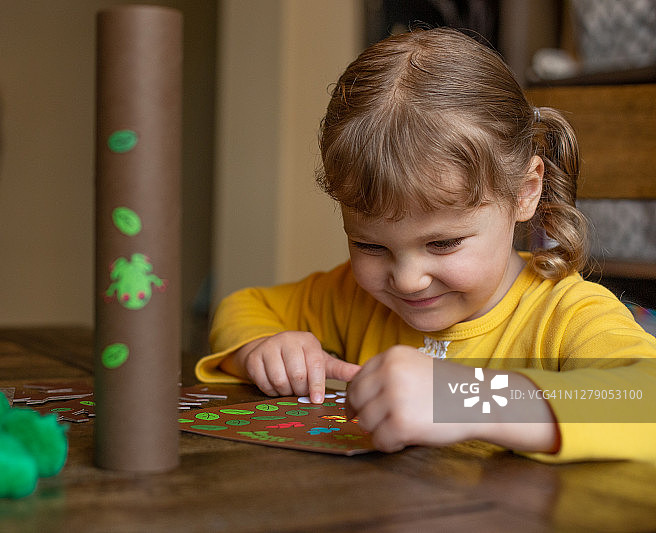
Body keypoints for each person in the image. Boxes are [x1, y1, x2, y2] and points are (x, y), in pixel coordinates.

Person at [195, 28, 656, 462]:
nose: (407, 280)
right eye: (371, 246)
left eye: (443, 243)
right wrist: (264, 349)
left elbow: (645, 397)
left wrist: (464, 399)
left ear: (525, 192)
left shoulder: (565, 314)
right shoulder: (350, 296)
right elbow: (244, 306)